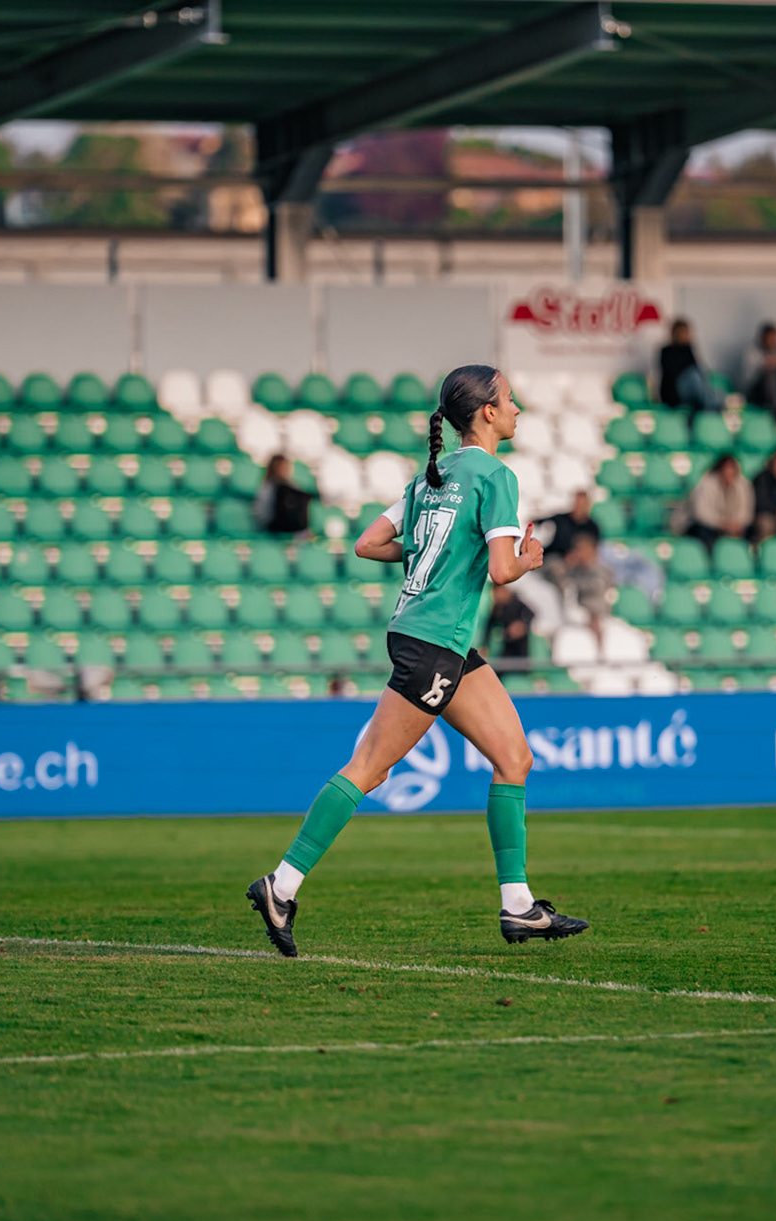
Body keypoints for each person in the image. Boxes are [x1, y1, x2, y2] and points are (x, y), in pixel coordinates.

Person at [245, 365, 589, 953]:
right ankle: (281, 884)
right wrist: (530, 558)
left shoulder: (432, 474)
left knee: (515, 758)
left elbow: (366, 543)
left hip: (435, 639)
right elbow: (504, 570)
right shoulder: (495, 475)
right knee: (370, 768)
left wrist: (435, 547)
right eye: (510, 401)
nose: (518, 410)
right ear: (486, 411)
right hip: (434, 643)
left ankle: (519, 907)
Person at [685, 453, 754, 550]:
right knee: (702, 531)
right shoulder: (707, 483)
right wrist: (721, 523)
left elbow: (747, 510)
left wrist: (736, 523)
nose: (729, 472)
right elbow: (701, 512)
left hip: (734, 526)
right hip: (711, 525)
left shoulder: (743, 484)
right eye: (726, 469)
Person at [559, 530, 616, 641]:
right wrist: (569, 566)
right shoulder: (573, 571)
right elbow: (564, 587)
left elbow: (600, 589)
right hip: (577, 616)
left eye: (583, 549)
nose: (580, 553)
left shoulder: (603, 571)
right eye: (578, 549)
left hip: (600, 616)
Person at [657, 318, 723, 411]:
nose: (688, 335)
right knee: (693, 376)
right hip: (674, 392)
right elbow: (672, 374)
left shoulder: (688, 349)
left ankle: (711, 400)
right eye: (684, 332)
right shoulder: (666, 351)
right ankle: (711, 402)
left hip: (692, 389)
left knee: (701, 375)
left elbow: (698, 369)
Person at [253, 452, 314, 535]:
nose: (283, 470)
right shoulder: (267, 488)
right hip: (273, 530)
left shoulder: (292, 487)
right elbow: (263, 515)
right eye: (280, 467)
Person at [541, 489, 600, 563]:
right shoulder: (561, 519)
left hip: (581, 563)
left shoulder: (592, 527)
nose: (579, 506)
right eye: (577, 502)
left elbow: (593, 550)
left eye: (582, 504)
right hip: (556, 558)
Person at [484, 583, 535, 664]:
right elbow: (488, 626)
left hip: (521, 647)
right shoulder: (498, 609)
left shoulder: (516, 603)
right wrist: (485, 645)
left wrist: (521, 625)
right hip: (507, 645)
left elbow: (531, 614)